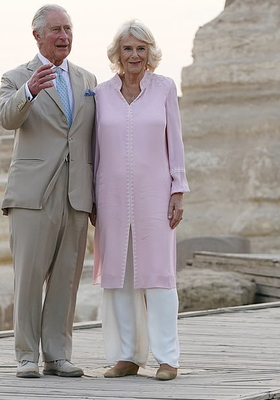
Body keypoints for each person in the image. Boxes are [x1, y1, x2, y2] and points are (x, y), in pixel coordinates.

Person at [0, 4, 97, 379]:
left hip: (76, 194)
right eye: (55, 29)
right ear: (37, 35)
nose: (64, 36)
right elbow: (6, 118)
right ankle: (26, 356)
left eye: (68, 28)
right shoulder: (15, 77)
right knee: (29, 277)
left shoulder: (88, 80)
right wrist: (29, 91)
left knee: (66, 278)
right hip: (32, 195)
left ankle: (57, 354)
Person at [92, 19, 189, 381]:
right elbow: (95, 149)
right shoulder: (100, 93)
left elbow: (175, 143)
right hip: (111, 195)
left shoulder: (164, 89)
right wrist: (92, 198)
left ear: (150, 53)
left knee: (159, 276)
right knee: (118, 276)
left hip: (155, 194)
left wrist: (178, 189)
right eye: (128, 48)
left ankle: (167, 358)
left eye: (141, 48)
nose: (134, 55)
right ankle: (126, 356)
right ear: (117, 54)